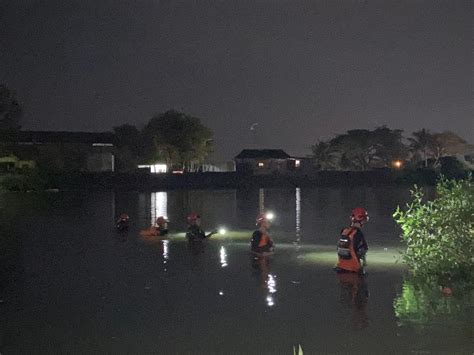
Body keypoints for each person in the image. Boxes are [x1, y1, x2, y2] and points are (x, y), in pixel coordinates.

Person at [335, 207, 369, 274]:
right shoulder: (358, 234)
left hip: (340, 269)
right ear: (361, 220)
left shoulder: (344, 231)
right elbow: (363, 252)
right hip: (353, 270)